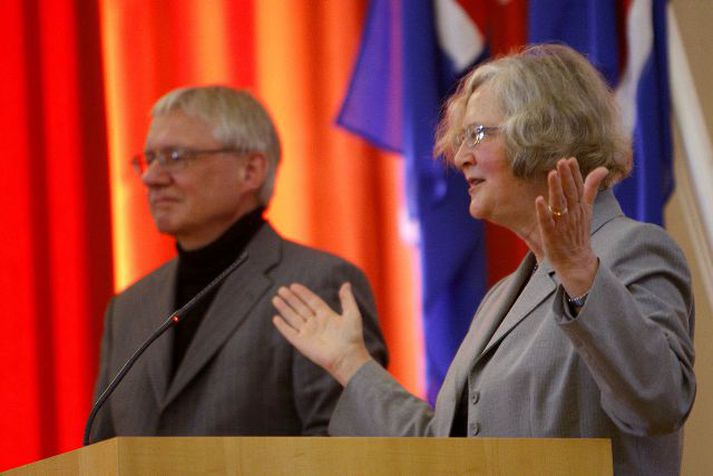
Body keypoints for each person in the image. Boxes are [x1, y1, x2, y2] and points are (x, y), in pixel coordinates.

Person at [271, 44, 695, 475]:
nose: (460, 157)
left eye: (477, 135)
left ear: (545, 132)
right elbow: (443, 452)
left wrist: (584, 277)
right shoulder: (501, 298)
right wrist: (350, 363)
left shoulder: (634, 250)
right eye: (461, 140)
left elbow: (659, 402)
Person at [89, 85, 387, 442]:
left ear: (250, 170)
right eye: (148, 159)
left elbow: (344, 447)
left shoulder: (316, 283)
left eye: (175, 156)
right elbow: (101, 449)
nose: (151, 177)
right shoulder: (129, 308)